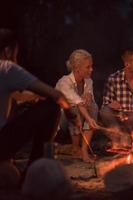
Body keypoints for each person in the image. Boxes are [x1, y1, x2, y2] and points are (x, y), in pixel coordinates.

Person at [0, 28, 71, 167]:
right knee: (52, 106)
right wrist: (71, 114)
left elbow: (16, 95)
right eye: (16, 52)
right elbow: (57, 95)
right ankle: (36, 168)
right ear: (8, 50)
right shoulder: (6, 67)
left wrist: (35, 97)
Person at [56, 49, 100, 163]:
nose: (91, 69)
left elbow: (88, 101)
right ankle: (75, 148)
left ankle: (84, 150)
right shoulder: (64, 82)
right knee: (75, 108)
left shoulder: (88, 81)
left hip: (80, 118)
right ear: (77, 69)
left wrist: (89, 98)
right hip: (60, 120)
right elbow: (78, 103)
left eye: (91, 66)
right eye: (88, 67)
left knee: (93, 107)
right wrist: (89, 119)